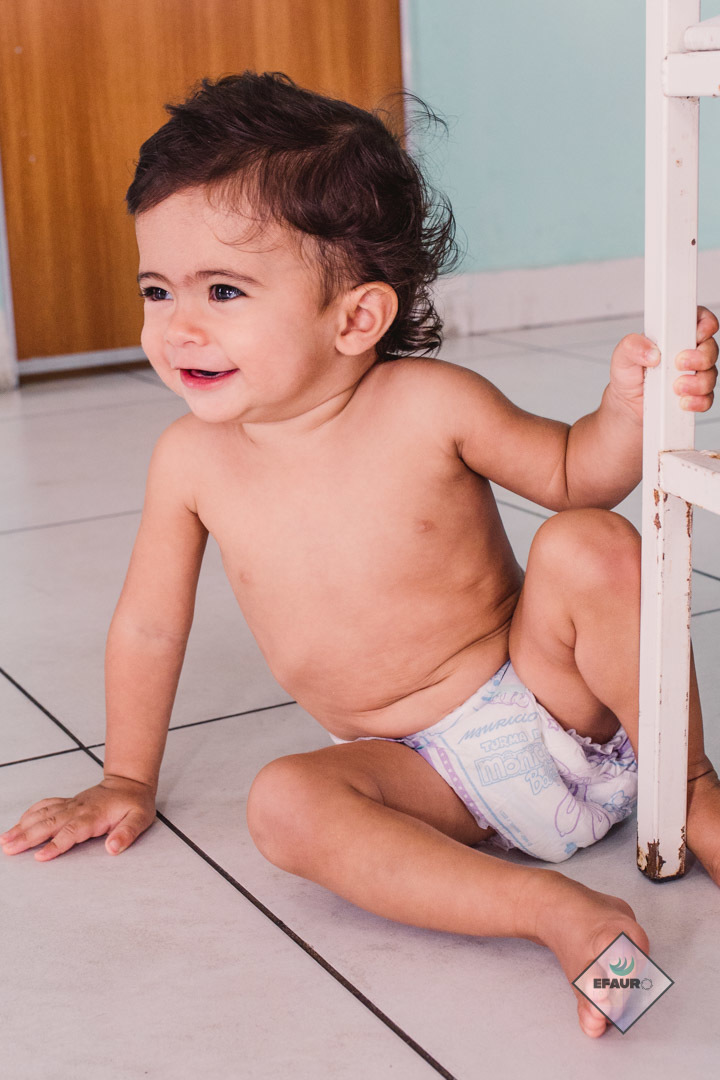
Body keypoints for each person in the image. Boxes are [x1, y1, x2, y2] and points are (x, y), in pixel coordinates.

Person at [2, 72, 719, 1038]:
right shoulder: (190, 461)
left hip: (551, 698)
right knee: (284, 804)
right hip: (420, 777)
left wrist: (629, 409)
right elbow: (149, 625)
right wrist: (126, 778)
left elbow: (573, 474)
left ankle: (692, 790)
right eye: (157, 290)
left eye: (223, 291)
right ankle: (552, 913)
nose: (177, 326)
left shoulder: (429, 404)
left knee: (589, 542)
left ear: (356, 319)